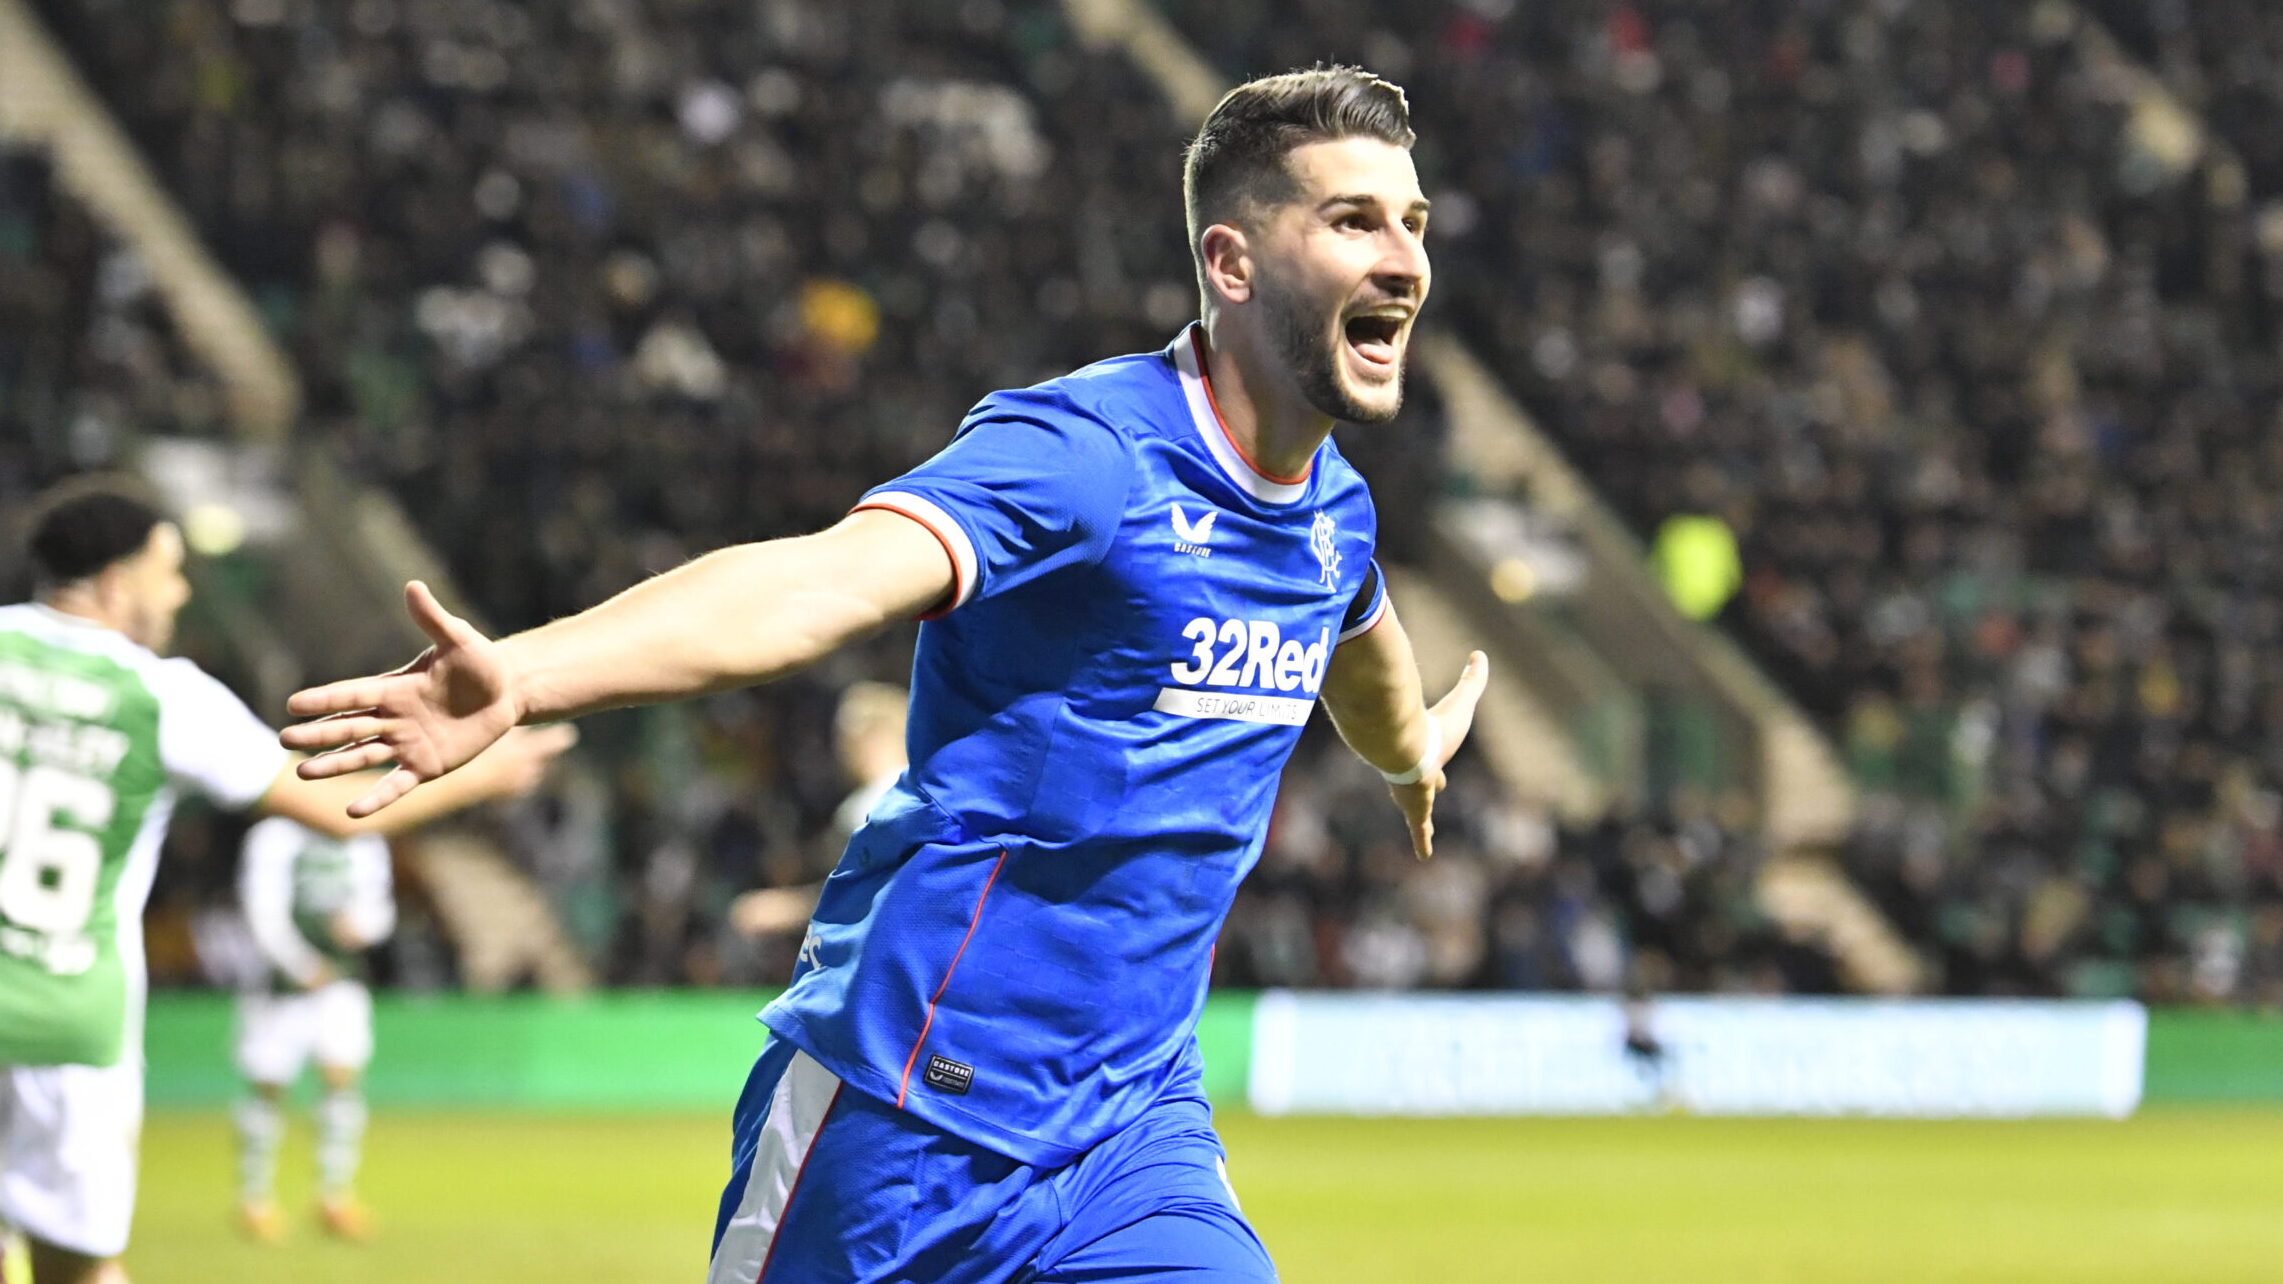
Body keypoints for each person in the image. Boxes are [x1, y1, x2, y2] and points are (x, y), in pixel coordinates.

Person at [286, 66, 1486, 1284]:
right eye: (1353, 220)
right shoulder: (1088, 456)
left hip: (1131, 1132)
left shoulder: (1332, 512)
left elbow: (1355, 630)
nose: (1405, 259)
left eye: (1413, 223)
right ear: (1231, 264)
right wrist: (529, 675)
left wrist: (1407, 751)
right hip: (910, 1106)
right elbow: (821, 581)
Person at [0, 477, 574, 1284]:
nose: (182, 590)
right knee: (83, 1269)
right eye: (168, 569)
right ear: (115, 580)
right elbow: (339, 808)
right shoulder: (160, 696)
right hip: (68, 1020)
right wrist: (487, 771)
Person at [229, 817, 395, 1243]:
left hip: (341, 980)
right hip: (280, 987)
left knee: (341, 1078)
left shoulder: (365, 837)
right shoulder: (274, 836)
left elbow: (381, 906)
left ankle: (334, 1196)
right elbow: (261, 911)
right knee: (269, 1086)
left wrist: (363, 926)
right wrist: (301, 965)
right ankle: (255, 1198)